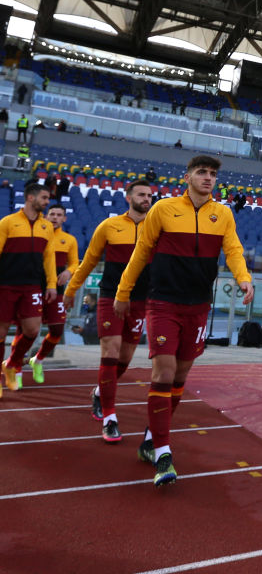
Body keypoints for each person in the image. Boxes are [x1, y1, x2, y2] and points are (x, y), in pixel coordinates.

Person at [114, 156, 252, 486]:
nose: (208, 178)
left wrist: (244, 278)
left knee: (179, 375)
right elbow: (142, 251)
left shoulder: (223, 214)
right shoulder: (163, 209)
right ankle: (163, 453)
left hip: (198, 306)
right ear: (187, 177)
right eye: (202, 172)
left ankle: (151, 438)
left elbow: (233, 250)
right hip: (163, 303)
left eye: (213, 174)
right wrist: (123, 291)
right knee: (163, 372)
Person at [64, 180, 152, 440]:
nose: (147, 199)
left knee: (124, 360)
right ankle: (110, 417)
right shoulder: (108, 226)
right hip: (110, 297)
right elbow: (89, 261)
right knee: (110, 353)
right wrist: (71, 290)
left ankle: (99, 392)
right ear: (128, 198)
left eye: (149, 195)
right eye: (141, 194)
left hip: (140, 301)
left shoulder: (157, 228)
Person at [0, 182, 57, 396]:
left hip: (32, 286)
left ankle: (11, 364)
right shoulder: (8, 222)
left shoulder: (47, 226)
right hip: (5, 285)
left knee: (32, 330)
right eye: (44, 198)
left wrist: (51, 284)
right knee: (1, 333)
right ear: (30, 198)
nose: (47, 202)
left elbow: (49, 258)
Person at [26, 203, 79, 383]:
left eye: (59, 215)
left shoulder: (69, 239)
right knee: (27, 329)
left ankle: (37, 360)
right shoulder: (36, 236)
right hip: (33, 287)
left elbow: (75, 263)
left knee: (57, 330)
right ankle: (15, 366)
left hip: (57, 290)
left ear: (64, 218)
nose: (55, 217)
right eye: (52, 214)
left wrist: (68, 272)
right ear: (46, 216)